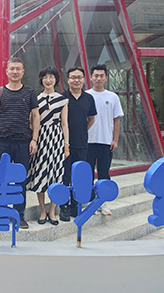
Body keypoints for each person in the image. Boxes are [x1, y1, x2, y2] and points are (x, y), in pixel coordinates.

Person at [0, 57, 40, 229]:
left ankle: (19, 214)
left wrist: (34, 139)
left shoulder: (30, 92)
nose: (15, 72)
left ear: (23, 72)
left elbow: (36, 116)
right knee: (1, 178)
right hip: (3, 141)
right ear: (7, 71)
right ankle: (1, 211)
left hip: (24, 142)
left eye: (18, 69)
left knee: (20, 179)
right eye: (12, 69)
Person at [28, 67, 69, 226]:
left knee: (55, 174)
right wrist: (34, 139)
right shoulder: (35, 99)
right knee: (40, 174)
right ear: (41, 80)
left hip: (56, 138)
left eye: (51, 77)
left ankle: (52, 211)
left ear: (56, 79)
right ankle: (42, 211)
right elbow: (31, 121)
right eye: (45, 77)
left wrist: (66, 145)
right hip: (40, 137)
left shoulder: (62, 99)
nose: (48, 80)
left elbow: (64, 124)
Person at [60, 67, 96, 221]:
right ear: (68, 79)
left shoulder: (89, 98)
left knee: (78, 176)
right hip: (64, 145)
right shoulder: (62, 97)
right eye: (73, 77)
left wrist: (82, 130)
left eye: (79, 77)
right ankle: (63, 206)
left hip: (82, 144)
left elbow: (91, 118)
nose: (76, 80)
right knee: (64, 176)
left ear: (83, 79)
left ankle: (75, 205)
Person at [87, 64, 124, 216]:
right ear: (91, 77)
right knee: (88, 173)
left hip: (106, 142)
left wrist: (115, 140)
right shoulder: (86, 96)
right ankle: (90, 202)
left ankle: (103, 202)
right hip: (88, 142)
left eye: (101, 76)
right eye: (96, 75)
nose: (98, 78)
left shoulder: (112, 97)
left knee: (104, 173)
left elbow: (117, 120)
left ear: (106, 78)